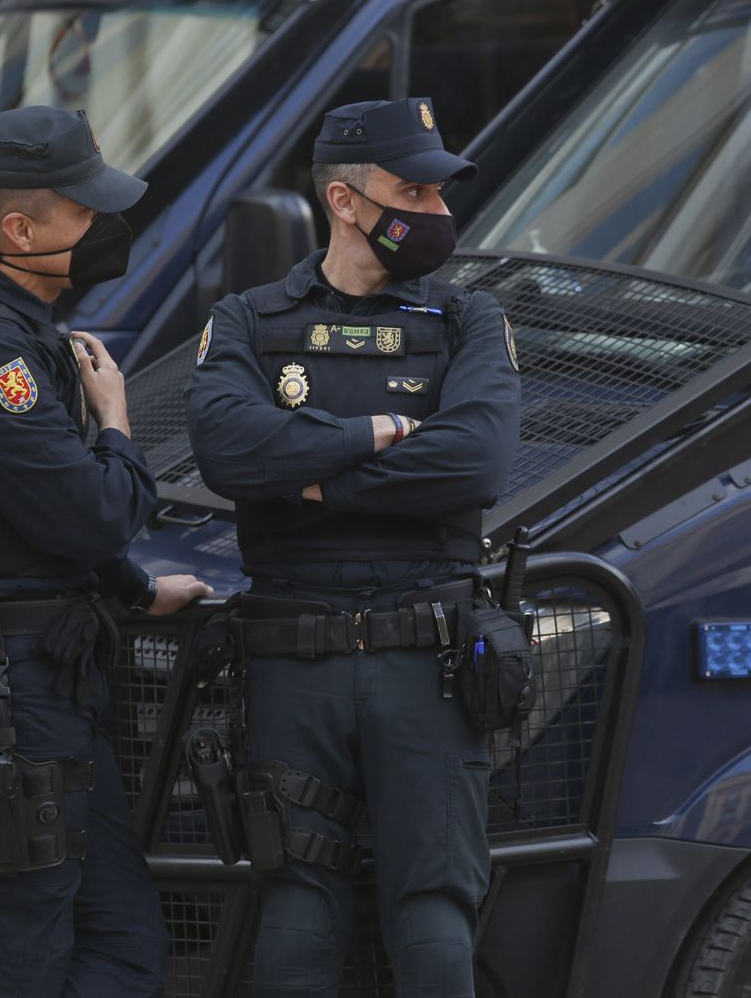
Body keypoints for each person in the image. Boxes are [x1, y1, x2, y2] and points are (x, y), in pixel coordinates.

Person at [183, 97, 522, 997]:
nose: (436, 212)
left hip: (430, 660)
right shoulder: (251, 320)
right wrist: (381, 432)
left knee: (435, 913)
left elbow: (476, 460)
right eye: (412, 189)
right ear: (343, 199)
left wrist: (307, 478)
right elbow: (225, 450)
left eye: (440, 191)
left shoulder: (468, 319)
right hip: (295, 662)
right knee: (298, 904)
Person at [0, 104, 211, 998]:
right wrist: (115, 421)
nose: (106, 229)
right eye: (84, 212)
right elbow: (89, 515)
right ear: (20, 229)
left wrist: (135, 594)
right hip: (7, 688)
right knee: (19, 951)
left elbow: (32, 520)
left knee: (123, 941)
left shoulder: (4, 330)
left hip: (30, 673)